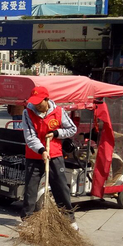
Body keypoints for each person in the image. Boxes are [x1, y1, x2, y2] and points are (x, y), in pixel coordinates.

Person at [21, 86, 78, 229]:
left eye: (40, 103)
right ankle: (27, 219)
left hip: (55, 154)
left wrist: (57, 133)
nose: (37, 106)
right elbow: (30, 136)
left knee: (60, 186)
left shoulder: (59, 112)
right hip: (34, 154)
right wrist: (41, 150)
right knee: (30, 188)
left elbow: (72, 129)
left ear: (47, 99)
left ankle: (69, 219)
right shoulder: (27, 112)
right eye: (34, 103)